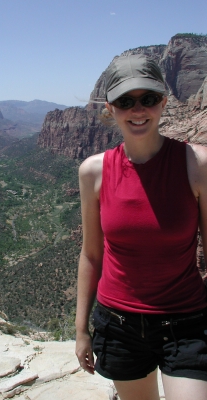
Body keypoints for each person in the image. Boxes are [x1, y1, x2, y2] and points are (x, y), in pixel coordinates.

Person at [75, 54, 207, 400]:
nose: (138, 110)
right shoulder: (93, 172)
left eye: (148, 99)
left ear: (164, 101)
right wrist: (81, 331)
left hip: (186, 322)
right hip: (118, 325)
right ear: (110, 108)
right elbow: (91, 255)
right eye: (125, 101)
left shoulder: (197, 165)